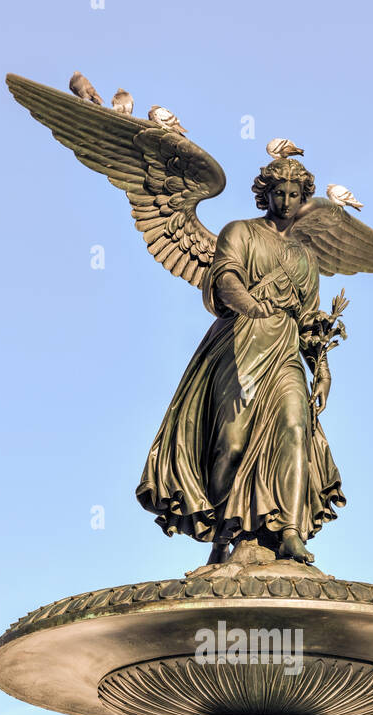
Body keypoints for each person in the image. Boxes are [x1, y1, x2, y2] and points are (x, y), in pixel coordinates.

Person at [136, 158, 345, 565]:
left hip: (283, 350)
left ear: (304, 200)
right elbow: (225, 277)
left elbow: (307, 320)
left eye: (294, 195)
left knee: (295, 426)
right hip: (238, 344)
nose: (285, 202)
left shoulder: (306, 257)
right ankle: (222, 533)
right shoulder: (241, 232)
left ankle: (288, 531)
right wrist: (249, 305)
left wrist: (321, 368)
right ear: (264, 194)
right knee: (230, 441)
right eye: (278, 193)